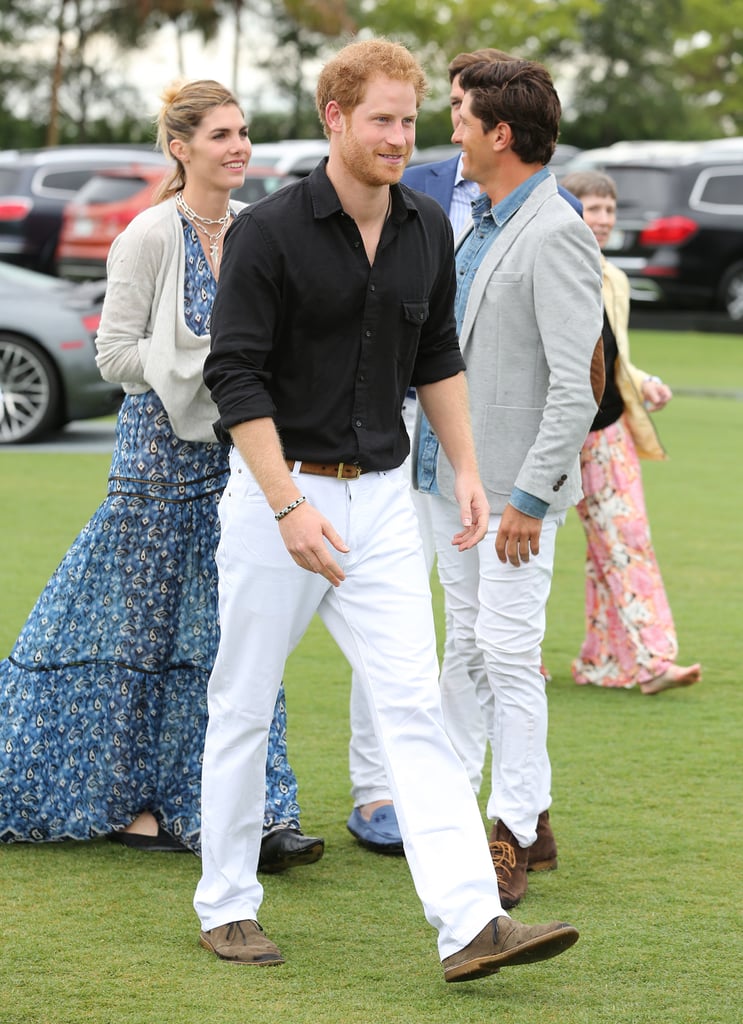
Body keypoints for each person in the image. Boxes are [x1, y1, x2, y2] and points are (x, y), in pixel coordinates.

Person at [194, 37, 580, 982]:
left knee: (413, 707)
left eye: (411, 120)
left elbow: (437, 353)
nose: (402, 137)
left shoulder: (421, 226)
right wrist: (286, 506)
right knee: (243, 703)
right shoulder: (271, 230)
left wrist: (470, 466)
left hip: (380, 503)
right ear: (333, 118)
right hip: (275, 501)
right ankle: (226, 905)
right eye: (381, 119)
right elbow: (232, 377)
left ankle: (470, 924)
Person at [0, 79, 323, 874]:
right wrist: (202, 363)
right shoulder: (148, 234)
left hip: (239, 458)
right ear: (180, 148)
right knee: (138, 640)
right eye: (221, 134)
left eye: (243, 132)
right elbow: (114, 355)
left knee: (230, 632)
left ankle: (255, 813)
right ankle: (136, 805)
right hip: (153, 464)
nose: (239, 147)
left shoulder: (260, 230)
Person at [411, 58, 603, 910]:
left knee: (507, 658)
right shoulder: (481, 221)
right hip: (447, 480)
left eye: (460, 113)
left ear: (501, 133)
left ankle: (513, 832)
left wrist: (527, 498)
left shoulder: (556, 228)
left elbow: (577, 384)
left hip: (512, 498)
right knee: (465, 648)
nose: (448, 127)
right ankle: (465, 815)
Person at [559, 170, 702, 695]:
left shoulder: (613, 280)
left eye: (608, 211)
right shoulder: (544, 265)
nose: (600, 220)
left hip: (608, 431)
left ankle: (647, 661)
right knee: (523, 552)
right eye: (591, 208)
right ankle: (547, 661)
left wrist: (647, 384)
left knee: (624, 543)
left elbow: (614, 358)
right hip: (549, 436)